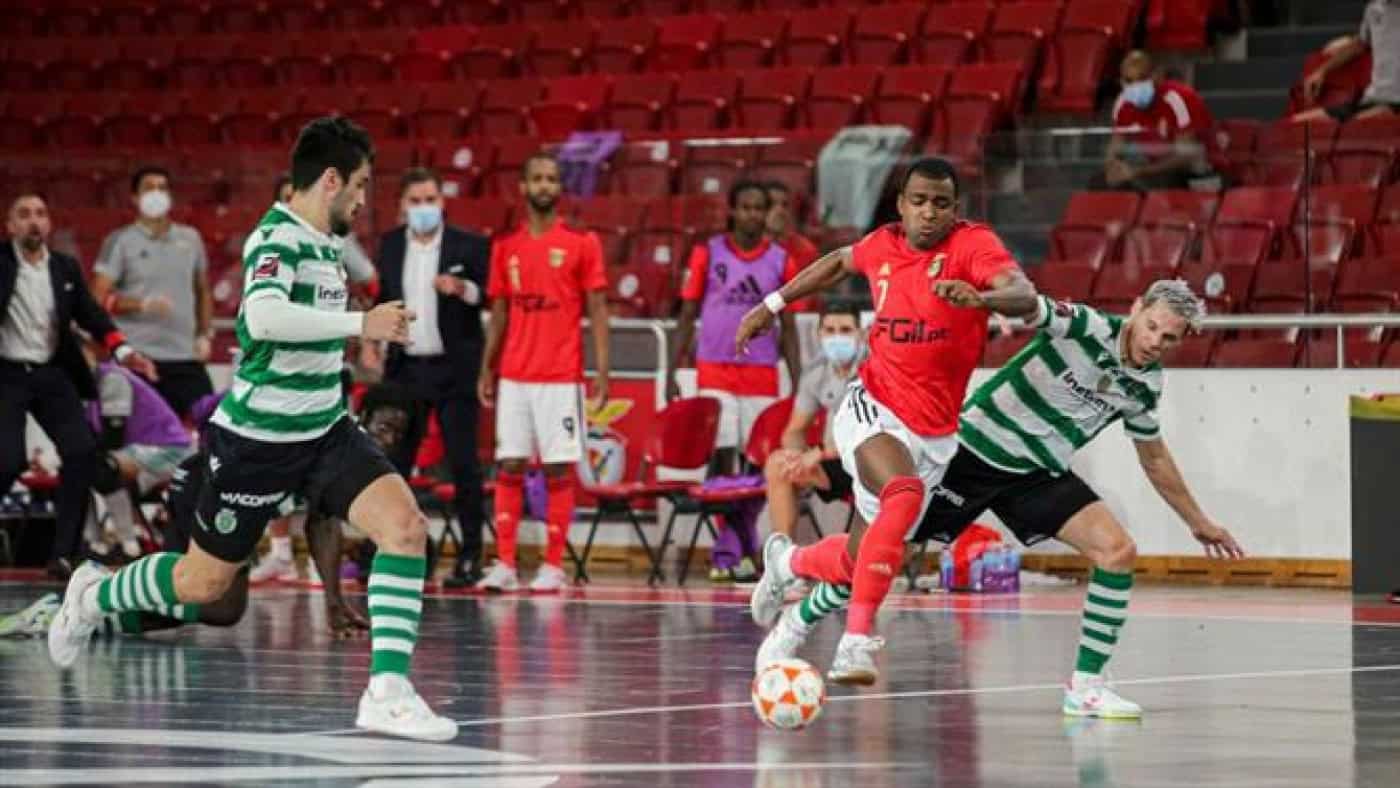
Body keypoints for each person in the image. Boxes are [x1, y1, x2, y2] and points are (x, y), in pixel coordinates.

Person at [47, 116, 458, 742]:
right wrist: (360, 325)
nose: (363, 200)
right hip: (256, 444)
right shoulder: (275, 238)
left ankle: (388, 691)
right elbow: (263, 319)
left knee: (404, 527)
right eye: (360, 186)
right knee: (204, 583)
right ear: (330, 181)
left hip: (324, 430)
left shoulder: (326, 243)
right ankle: (95, 593)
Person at [758, 281, 1247, 719]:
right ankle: (794, 588)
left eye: (1168, 338)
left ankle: (1087, 687)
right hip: (970, 454)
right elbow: (1034, 305)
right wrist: (984, 300)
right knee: (881, 556)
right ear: (1137, 309)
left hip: (1036, 473)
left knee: (1117, 550)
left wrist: (1197, 521)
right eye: (1151, 326)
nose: (1153, 342)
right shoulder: (1086, 326)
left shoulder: (1146, 384)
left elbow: (1155, 458)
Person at [737, 157, 1038, 685]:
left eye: (941, 204)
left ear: (955, 209)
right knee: (902, 493)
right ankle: (856, 642)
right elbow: (834, 263)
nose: (929, 213)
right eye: (918, 201)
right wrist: (772, 303)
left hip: (935, 431)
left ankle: (787, 565)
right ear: (901, 205)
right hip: (873, 406)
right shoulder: (883, 244)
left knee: (864, 560)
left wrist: (982, 297)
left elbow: (1024, 294)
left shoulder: (972, 247)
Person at [1, 193, 157, 580]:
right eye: (24, 215)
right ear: (10, 226)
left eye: (40, 213)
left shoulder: (65, 268)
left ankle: (64, 555)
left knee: (83, 454)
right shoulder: (0, 264)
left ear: (49, 224)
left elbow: (92, 314)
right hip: (6, 374)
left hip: (52, 371)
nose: (34, 221)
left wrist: (124, 351)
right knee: (7, 461)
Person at [476, 151, 611, 593]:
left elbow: (597, 310)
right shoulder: (505, 247)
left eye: (552, 179)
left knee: (557, 469)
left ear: (560, 187)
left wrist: (603, 372)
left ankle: (553, 565)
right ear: (523, 186)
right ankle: (506, 564)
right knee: (509, 464)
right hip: (514, 376)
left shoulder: (581, 242)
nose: (545, 186)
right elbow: (498, 311)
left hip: (560, 376)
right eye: (537, 178)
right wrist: (487, 367)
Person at [365, 167, 490, 589]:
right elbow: (384, 296)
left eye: (430, 200)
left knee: (463, 463)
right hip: (405, 370)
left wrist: (462, 289)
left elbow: (487, 293)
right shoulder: (390, 245)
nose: (424, 208)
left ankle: (471, 554)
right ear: (402, 206)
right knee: (391, 464)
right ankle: (391, 549)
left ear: (443, 202)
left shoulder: (467, 244)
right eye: (415, 201)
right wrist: (371, 338)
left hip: (454, 369)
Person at [666, 180, 803, 475]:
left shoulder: (782, 261)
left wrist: (798, 382)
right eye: (745, 208)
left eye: (758, 208)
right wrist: (670, 372)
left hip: (761, 370)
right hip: (714, 369)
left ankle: (745, 522)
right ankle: (725, 522)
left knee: (756, 456)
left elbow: (789, 329)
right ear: (732, 210)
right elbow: (686, 316)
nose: (751, 215)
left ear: (767, 213)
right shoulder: (708, 253)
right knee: (721, 450)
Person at [91, 166, 215, 419]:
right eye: (149, 188)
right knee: (132, 438)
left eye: (162, 188)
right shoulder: (120, 241)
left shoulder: (191, 239)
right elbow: (96, 298)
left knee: (211, 428)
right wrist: (141, 304)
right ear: (135, 198)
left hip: (184, 357)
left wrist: (205, 334)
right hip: (136, 358)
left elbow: (202, 289)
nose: (156, 193)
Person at [84, 337, 195, 561]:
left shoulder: (112, 378)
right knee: (75, 469)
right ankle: (93, 543)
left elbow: (113, 437)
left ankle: (130, 544)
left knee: (104, 467)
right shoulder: (81, 388)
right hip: (137, 451)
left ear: (93, 353)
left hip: (171, 450)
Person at [762, 301, 863, 539]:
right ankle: (783, 559)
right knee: (779, 465)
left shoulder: (875, 369)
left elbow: (867, 433)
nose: (837, 337)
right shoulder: (816, 373)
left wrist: (818, 452)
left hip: (872, 462)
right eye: (829, 330)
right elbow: (794, 431)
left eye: (846, 330)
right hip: (835, 463)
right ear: (819, 334)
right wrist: (795, 456)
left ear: (861, 333)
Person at [1098, 51, 1219, 192]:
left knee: (1165, 180)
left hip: (1196, 169)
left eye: (1142, 78)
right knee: (1101, 182)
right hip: (1154, 169)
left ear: (1156, 76)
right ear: (1121, 82)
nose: (1135, 86)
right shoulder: (1122, 103)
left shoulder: (1178, 98)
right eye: (1129, 80)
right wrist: (1112, 168)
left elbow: (1186, 155)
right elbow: (1115, 147)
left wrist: (1139, 171)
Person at [1293, 0, 1399, 123]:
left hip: (1394, 103)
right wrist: (1322, 71)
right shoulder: (1373, 9)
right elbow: (1360, 43)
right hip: (1370, 100)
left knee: (1353, 129)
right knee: (1298, 122)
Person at [765, 181, 821, 312]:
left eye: (784, 205)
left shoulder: (805, 249)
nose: (780, 211)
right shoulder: (746, 251)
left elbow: (809, 297)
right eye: (772, 204)